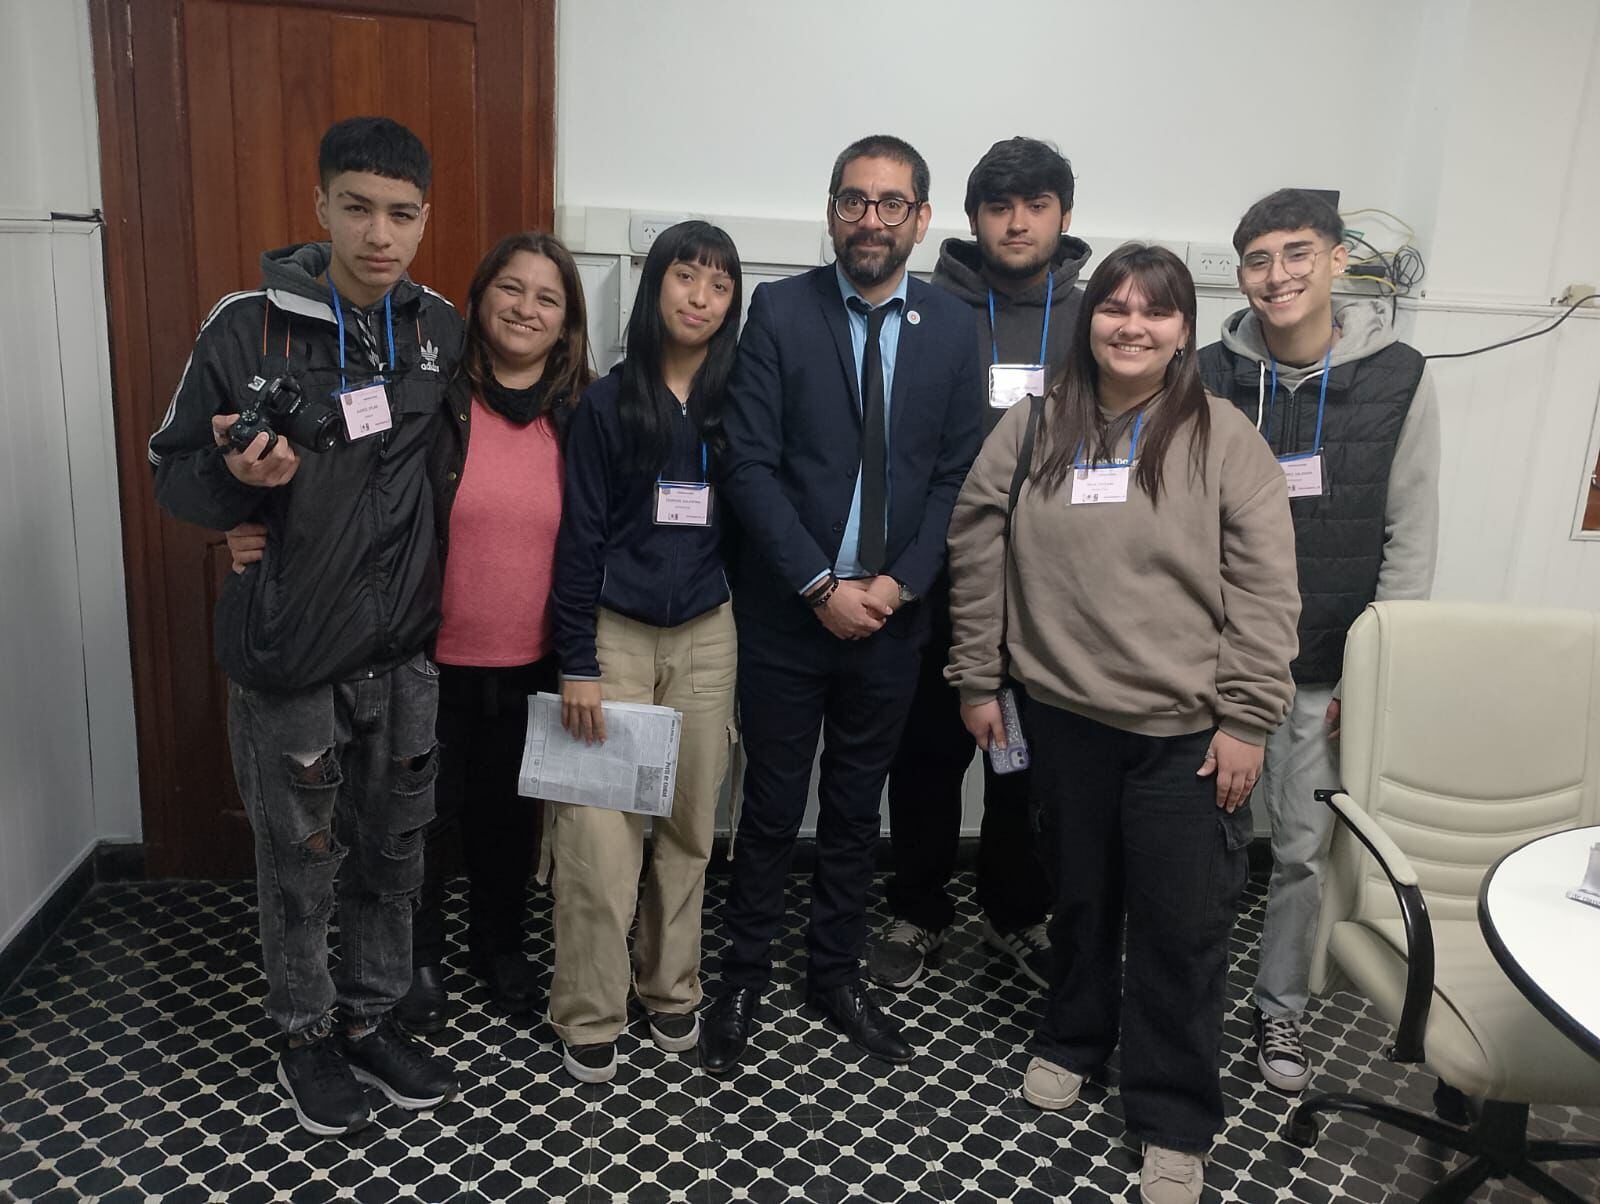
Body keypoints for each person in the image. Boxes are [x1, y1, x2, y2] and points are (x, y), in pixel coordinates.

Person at [946, 243, 1299, 1203]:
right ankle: (1072, 1037)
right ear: (1089, 317)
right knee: (1082, 901)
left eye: (1155, 311)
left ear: (1184, 329)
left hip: (1186, 738)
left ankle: (1175, 1116)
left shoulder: (1224, 438)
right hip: (1060, 721)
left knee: (1183, 929)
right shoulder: (1031, 428)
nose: (1131, 325)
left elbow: (1267, 592)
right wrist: (978, 677)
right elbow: (976, 548)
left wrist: (1248, 719)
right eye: (1115, 306)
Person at [149, 117, 462, 1137]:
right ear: (321, 206)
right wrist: (232, 494)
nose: (381, 234)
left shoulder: (435, 327)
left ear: (424, 220)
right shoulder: (247, 325)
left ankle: (370, 1018)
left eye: (402, 214)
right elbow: (171, 470)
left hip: (402, 650)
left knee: (392, 850)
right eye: (359, 208)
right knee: (301, 858)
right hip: (290, 655)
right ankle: (304, 1031)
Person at [229, 233, 595, 1034]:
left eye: (548, 297)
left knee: (507, 815)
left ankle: (501, 947)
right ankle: (417, 956)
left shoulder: (579, 413)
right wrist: (241, 527)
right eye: (511, 288)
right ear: (479, 297)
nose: (526, 308)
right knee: (413, 820)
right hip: (424, 653)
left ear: (568, 322)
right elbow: (340, 481)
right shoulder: (434, 395)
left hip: (532, 657)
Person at [699, 135, 983, 1075]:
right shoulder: (780, 312)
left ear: (921, 219)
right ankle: (741, 974)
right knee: (775, 807)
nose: (872, 219)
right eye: (855, 201)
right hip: (791, 613)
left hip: (891, 623)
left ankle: (835, 974)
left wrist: (897, 586)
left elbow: (954, 476)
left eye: (891, 203)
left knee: (859, 813)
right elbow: (747, 462)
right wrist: (820, 586)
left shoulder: (954, 326)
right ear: (831, 211)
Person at [1198, 189, 1440, 1094]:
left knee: (1301, 850)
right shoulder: (1208, 373)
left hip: (1328, 665)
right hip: (1217, 663)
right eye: (1258, 261)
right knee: (1200, 845)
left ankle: (1280, 1011)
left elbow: (1410, 537)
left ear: (1339, 260)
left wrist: (1375, 671)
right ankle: (1184, 999)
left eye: (1297, 254)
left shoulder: (1400, 376)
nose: (1277, 276)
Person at [872, 135, 1090, 991]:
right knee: (926, 761)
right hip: (941, 578)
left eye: (1037, 205)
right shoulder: (928, 311)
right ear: (971, 219)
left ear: (1063, 216)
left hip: (1050, 593)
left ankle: (1013, 915)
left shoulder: (1094, 315)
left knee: (1024, 771)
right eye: (1000, 207)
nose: (1017, 222)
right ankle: (917, 910)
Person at [548, 220, 743, 1084]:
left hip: (707, 631)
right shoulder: (605, 401)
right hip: (614, 637)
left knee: (690, 825)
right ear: (654, 285)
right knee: (597, 832)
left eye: (717, 284)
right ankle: (591, 1007)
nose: (698, 297)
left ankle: (672, 989)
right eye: (683, 277)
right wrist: (576, 661)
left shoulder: (741, 397)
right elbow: (579, 538)